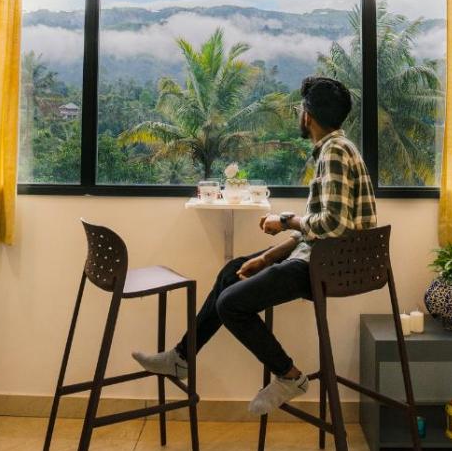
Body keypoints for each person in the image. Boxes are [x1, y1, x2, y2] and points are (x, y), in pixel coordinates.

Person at [132, 75, 376, 416]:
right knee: (231, 272)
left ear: (307, 115)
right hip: (323, 256)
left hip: (328, 266)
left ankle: (289, 376)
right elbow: (323, 227)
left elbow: (332, 225)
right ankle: (181, 358)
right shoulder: (338, 148)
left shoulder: (333, 153)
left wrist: (285, 221)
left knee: (231, 304)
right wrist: (268, 256)